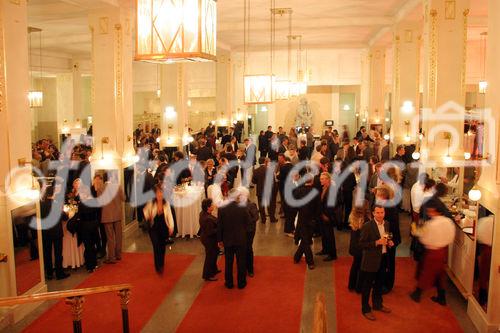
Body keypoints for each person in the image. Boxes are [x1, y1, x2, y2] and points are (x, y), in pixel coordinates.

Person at [409, 203, 456, 305]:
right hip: (443, 251)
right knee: (440, 273)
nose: (429, 212)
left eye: (431, 211)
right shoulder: (449, 222)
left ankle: (417, 294)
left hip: (433, 251)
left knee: (427, 273)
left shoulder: (432, 224)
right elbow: (451, 237)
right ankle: (441, 297)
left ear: (436, 211)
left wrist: (415, 230)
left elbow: (424, 238)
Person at [359, 205, 393, 321]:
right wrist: (376, 242)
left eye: (382, 212)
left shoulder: (387, 224)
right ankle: (365, 309)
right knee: (367, 286)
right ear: (373, 213)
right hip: (370, 261)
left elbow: (386, 237)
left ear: (385, 213)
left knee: (379, 284)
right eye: (377, 212)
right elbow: (361, 244)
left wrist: (389, 242)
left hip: (383, 258)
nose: (380, 215)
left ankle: (378, 304)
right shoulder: (367, 226)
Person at [217, 189, 251, 289]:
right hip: (241, 239)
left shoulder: (222, 208)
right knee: (241, 262)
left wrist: (219, 240)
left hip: (227, 239)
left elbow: (220, 226)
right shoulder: (242, 207)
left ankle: (229, 283)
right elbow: (248, 223)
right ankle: (241, 283)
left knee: (228, 262)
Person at [40, 182, 70, 280]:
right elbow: (65, 218)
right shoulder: (56, 204)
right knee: (58, 253)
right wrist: (66, 213)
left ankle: (49, 274)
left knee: (47, 253)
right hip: (56, 232)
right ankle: (59, 273)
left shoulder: (41, 205)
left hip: (45, 232)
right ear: (53, 193)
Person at [143, 184, 174, 274]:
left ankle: (161, 262)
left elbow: (169, 216)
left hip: (163, 227)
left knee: (162, 246)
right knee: (156, 245)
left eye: (161, 193)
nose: (160, 195)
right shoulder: (151, 203)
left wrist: (171, 227)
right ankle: (158, 266)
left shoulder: (166, 203)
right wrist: (148, 216)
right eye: (158, 193)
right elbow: (145, 211)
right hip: (153, 228)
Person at [99, 172, 125, 264]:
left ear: (104, 178)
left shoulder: (101, 188)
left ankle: (111, 257)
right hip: (117, 215)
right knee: (118, 236)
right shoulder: (118, 186)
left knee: (110, 238)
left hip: (107, 216)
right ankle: (118, 254)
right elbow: (124, 198)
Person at [293, 175, 318, 270]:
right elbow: (318, 207)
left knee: (305, 240)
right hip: (312, 220)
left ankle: (296, 257)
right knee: (306, 240)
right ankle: (310, 262)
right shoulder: (315, 192)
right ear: (312, 181)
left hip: (302, 219)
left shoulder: (298, 191)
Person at [317, 172, 338, 261]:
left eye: (322, 179)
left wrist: (326, 215)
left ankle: (332, 254)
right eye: (320, 179)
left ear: (328, 180)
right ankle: (325, 249)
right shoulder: (323, 188)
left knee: (329, 235)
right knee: (324, 234)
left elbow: (332, 205)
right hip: (322, 215)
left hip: (328, 216)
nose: (320, 180)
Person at [348, 203, 368, 293]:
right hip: (361, 248)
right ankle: (359, 288)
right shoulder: (366, 221)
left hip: (354, 247)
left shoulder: (352, 218)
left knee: (355, 265)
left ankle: (351, 285)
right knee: (361, 268)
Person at [199, 199, 220, 281]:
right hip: (209, 240)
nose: (213, 205)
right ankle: (207, 275)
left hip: (208, 238)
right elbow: (210, 232)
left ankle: (214, 270)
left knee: (214, 254)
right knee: (210, 256)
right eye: (212, 204)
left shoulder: (203, 213)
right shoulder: (208, 219)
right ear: (208, 207)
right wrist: (219, 229)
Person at [252, 157, 277, 223]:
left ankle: (263, 219)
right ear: (265, 162)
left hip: (260, 191)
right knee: (270, 205)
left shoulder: (256, 170)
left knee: (261, 206)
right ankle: (272, 219)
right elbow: (273, 182)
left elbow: (253, 181)